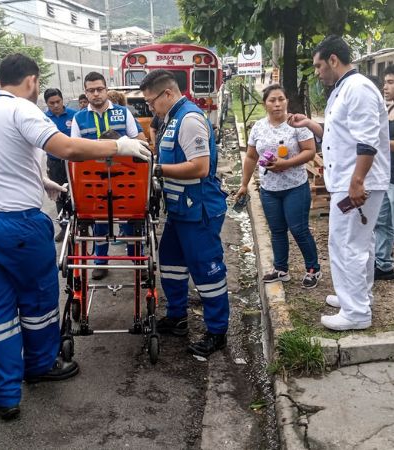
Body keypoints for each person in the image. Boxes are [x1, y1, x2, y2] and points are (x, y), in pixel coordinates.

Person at [0, 53, 151, 420]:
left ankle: (5, 394)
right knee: (39, 298)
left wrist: (41, 181)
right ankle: (40, 365)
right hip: (15, 223)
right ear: (30, 81)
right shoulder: (22, 110)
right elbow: (68, 148)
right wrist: (118, 146)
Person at [288, 36, 391, 331]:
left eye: (319, 66)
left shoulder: (357, 89)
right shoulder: (343, 89)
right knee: (360, 243)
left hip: (356, 183)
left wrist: (357, 181)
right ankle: (357, 297)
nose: (318, 72)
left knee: (347, 244)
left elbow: (367, 141)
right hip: (349, 179)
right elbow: (339, 134)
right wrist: (309, 125)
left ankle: (356, 312)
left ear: (334, 60)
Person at [140, 69, 230, 357]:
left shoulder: (189, 119)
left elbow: (200, 167)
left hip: (199, 209)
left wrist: (156, 170)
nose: (150, 108)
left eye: (151, 102)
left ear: (167, 93)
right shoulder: (171, 118)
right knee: (171, 263)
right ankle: (177, 317)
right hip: (180, 209)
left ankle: (217, 332)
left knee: (206, 270)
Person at [235, 84, 321, 288]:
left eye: (281, 99)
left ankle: (313, 269)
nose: (277, 104)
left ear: (286, 102)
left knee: (298, 229)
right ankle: (281, 269)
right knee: (277, 230)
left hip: (295, 186)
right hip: (269, 189)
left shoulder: (297, 123)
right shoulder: (258, 127)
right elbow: (251, 156)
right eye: (272, 100)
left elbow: (310, 151)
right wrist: (244, 184)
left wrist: (286, 164)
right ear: (265, 104)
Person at [71, 72, 147, 280]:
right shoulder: (79, 118)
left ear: (106, 89)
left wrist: (123, 144)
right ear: (85, 93)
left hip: (126, 179)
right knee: (99, 224)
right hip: (92, 181)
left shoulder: (123, 113)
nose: (96, 94)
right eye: (91, 90)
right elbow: (73, 151)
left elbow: (141, 142)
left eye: (99, 89)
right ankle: (100, 262)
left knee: (130, 222)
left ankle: (137, 260)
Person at [44, 88, 78, 242]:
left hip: (73, 162)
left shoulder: (74, 115)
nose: (56, 105)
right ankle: (64, 228)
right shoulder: (43, 119)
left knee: (77, 193)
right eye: (52, 103)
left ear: (62, 100)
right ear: (47, 104)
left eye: (58, 101)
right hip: (55, 163)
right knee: (59, 195)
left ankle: (81, 226)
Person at [372, 65, 394, 280]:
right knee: (382, 222)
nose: (385, 87)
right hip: (386, 175)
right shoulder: (387, 109)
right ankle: (384, 263)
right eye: (385, 82)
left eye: (391, 82)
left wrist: (380, 143)